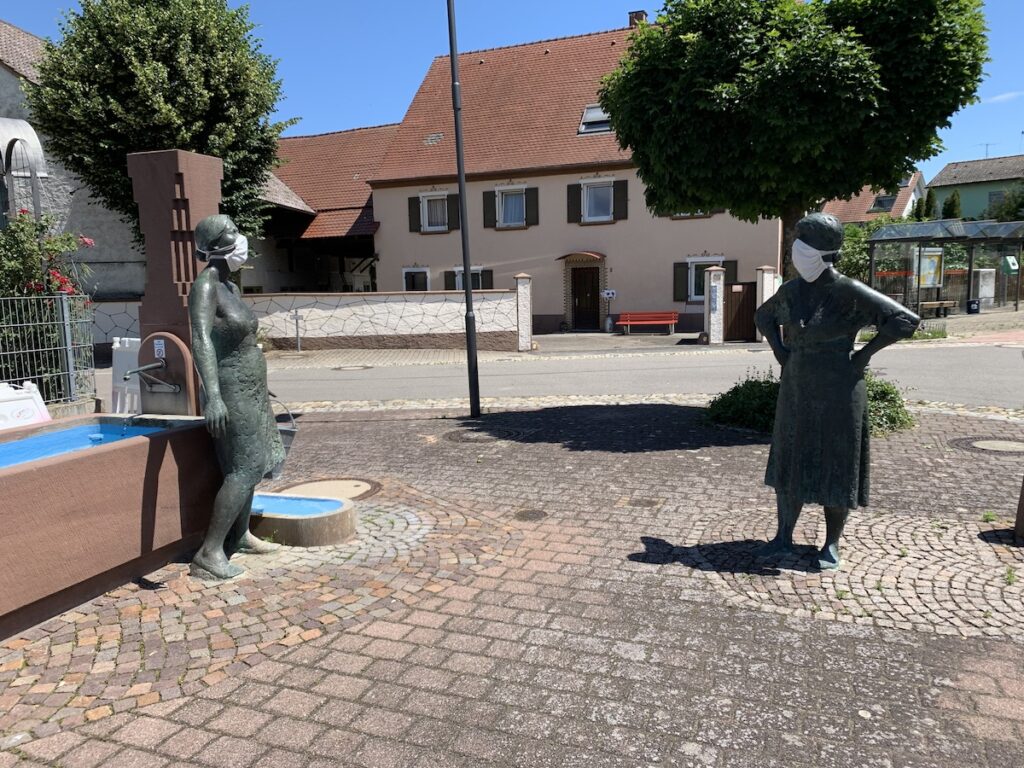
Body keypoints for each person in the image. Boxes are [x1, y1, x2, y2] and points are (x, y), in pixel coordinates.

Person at [754, 213, 919, 569]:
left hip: (840, 388)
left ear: (819, 251)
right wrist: (781, 352)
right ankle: (783, 535)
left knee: (837, 463)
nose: (796, 252)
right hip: (797, 386)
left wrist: (862, 356)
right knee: (791, 460)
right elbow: (763, 317)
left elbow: (905, 322)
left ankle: (831, 544)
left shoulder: (849, 291)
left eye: (802, 245)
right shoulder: (792, 291)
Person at [188, 214, 285, 580]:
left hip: (252, 388)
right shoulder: (206, 286)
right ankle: (209, 553)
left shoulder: (232, 287)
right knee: (243, 468)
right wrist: (213, 395)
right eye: (230, 232)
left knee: (255, 464)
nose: (239, 237)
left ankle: (240, 535)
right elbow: (201, 340)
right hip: (230, 390)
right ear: (213, 245)